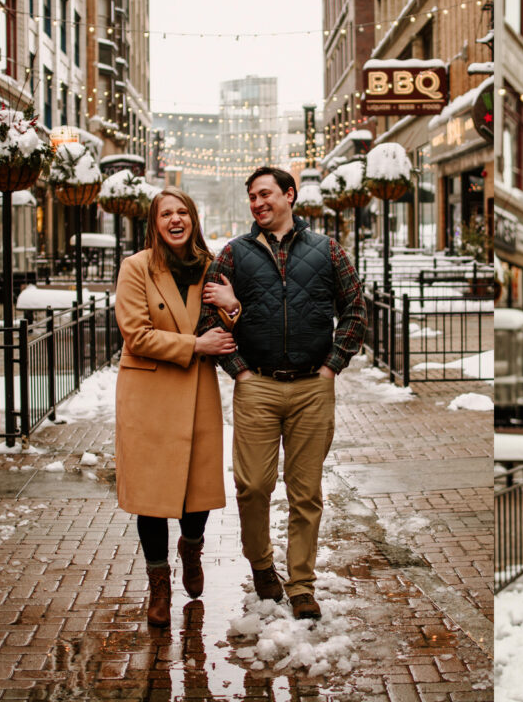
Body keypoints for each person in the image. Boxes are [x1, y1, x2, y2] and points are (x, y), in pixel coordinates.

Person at [198, 166, 367, 620]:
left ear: (290, 195)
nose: (258, 203)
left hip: (314, 386)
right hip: (257, 387)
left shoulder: (329, 250)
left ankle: (302, 585)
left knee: (305, 490)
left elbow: (355, 311)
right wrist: (239, 371)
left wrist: (332, 367)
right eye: (252, 196)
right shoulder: (233, 254)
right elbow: (208, 319)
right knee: (253, 486)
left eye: (266, 194)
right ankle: (261, 565)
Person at [115, 187, 240, 627]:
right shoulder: (136, 268)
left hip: (196, 388)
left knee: (198, 484)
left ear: (193, 218)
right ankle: (159, 584)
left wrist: (234, 307)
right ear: (155, 222)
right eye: (166, 213)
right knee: (151, 495)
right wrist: (196, 343)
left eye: (182, 211)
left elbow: (231, 325)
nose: (175, 219)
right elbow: (136, 333)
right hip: (149, 392)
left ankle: (191, 547)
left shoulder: (212, 266)